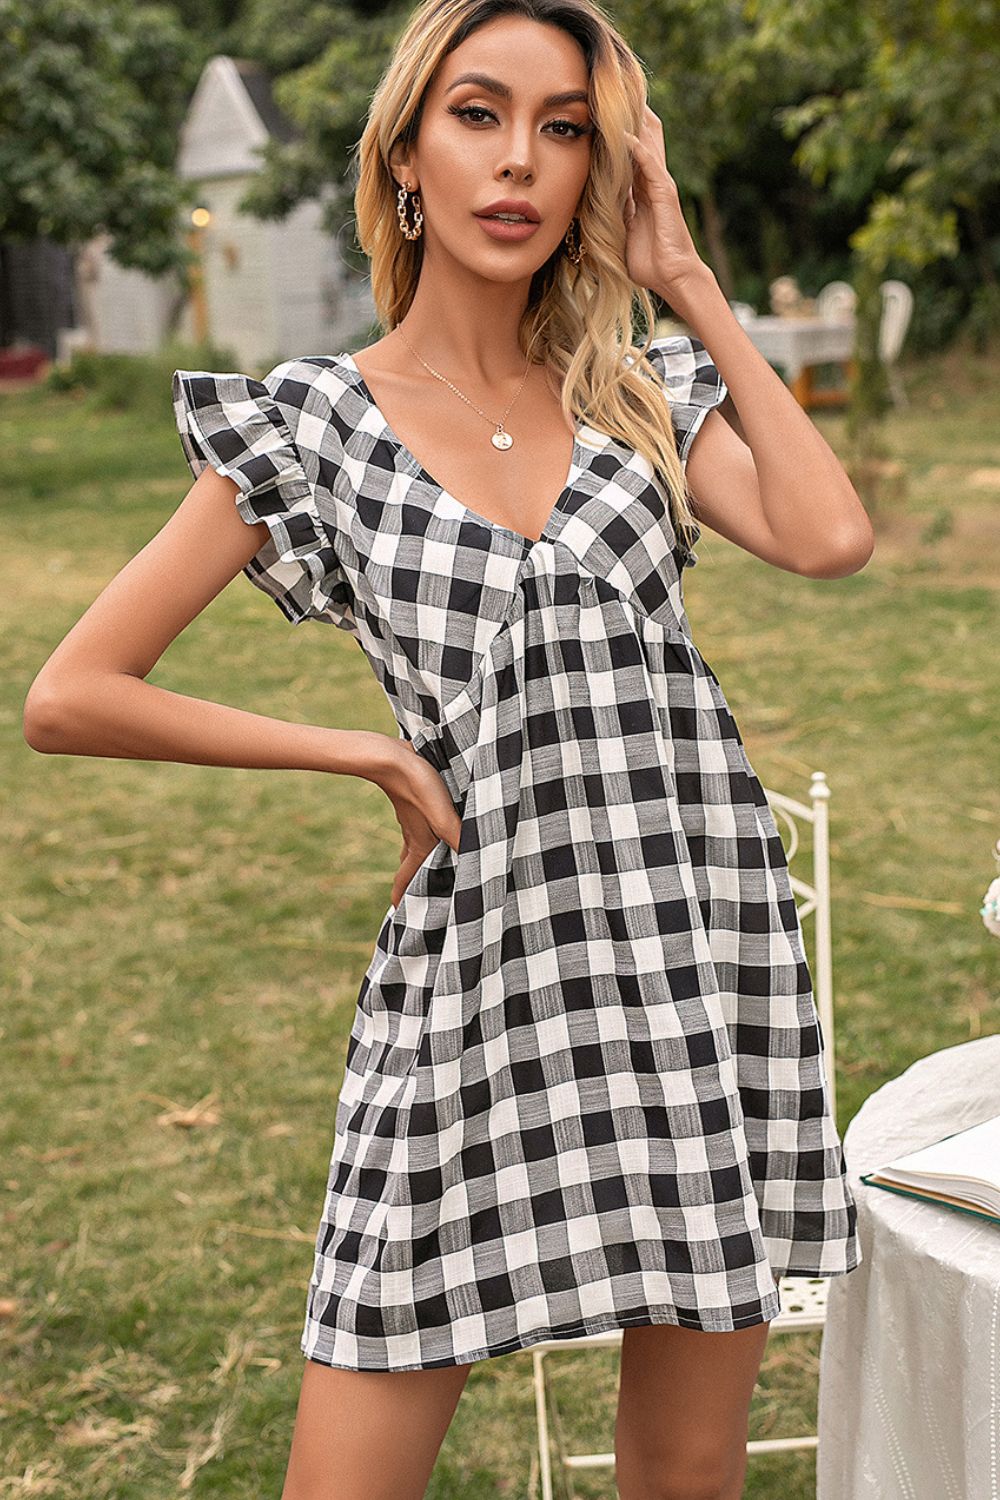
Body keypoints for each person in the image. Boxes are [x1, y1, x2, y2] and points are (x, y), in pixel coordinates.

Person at [23, 0, 875, 1495]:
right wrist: (364, 756)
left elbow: (830, 536)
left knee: (688, 1472)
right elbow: (74, 693)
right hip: (482, 954)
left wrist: (685, 281)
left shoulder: (639, 392)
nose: (520, 161)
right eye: (479, 114)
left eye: (566, 129)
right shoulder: (314, 424)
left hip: (696, 932)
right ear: (405, 155)